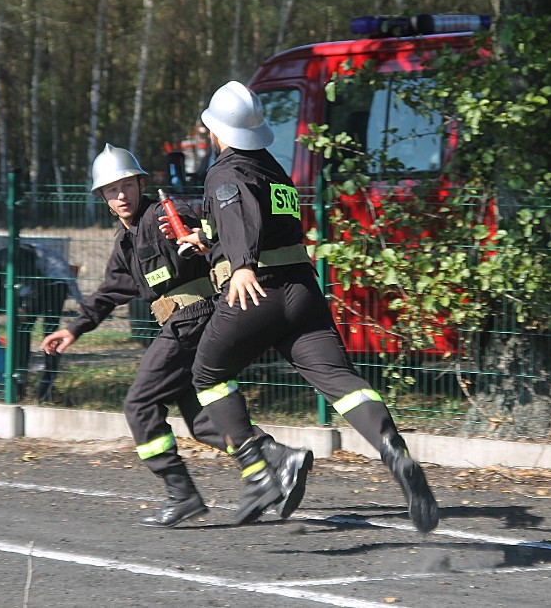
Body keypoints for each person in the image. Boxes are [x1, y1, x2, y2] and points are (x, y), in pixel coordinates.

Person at [178, 81, 440, 532]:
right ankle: (392, 448)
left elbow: (239, 216)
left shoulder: (225, 171)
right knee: (340, 380)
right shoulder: (274, 171)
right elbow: (259, 221)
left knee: (207, 375)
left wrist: (239, 264)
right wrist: (209, 241)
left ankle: (263, 466)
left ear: (215, 131)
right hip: (302, 291)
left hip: (256, 290)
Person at [41, 143, 313, 527]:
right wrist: (73, 328)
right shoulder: (126, 243)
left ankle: (180, 492)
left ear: (140, 183)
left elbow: (206, 222)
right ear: (102, 197)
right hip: (180, 324)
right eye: (111, 190)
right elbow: (108, 293)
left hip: (195, 318)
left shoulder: (163, 214)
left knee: (139, 405)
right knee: (203, 421)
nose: (121, 195)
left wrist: (199, 235)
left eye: (127, 186)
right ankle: (275, 461)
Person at [0, 241, 81, 403]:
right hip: (39, 278)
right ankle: (19, 383)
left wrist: (24, 308)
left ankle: (47, 385)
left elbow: (34, 282)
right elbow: (2, 293)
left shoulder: (8, 260)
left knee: (51, 332)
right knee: (22, 330)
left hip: (54, 279)